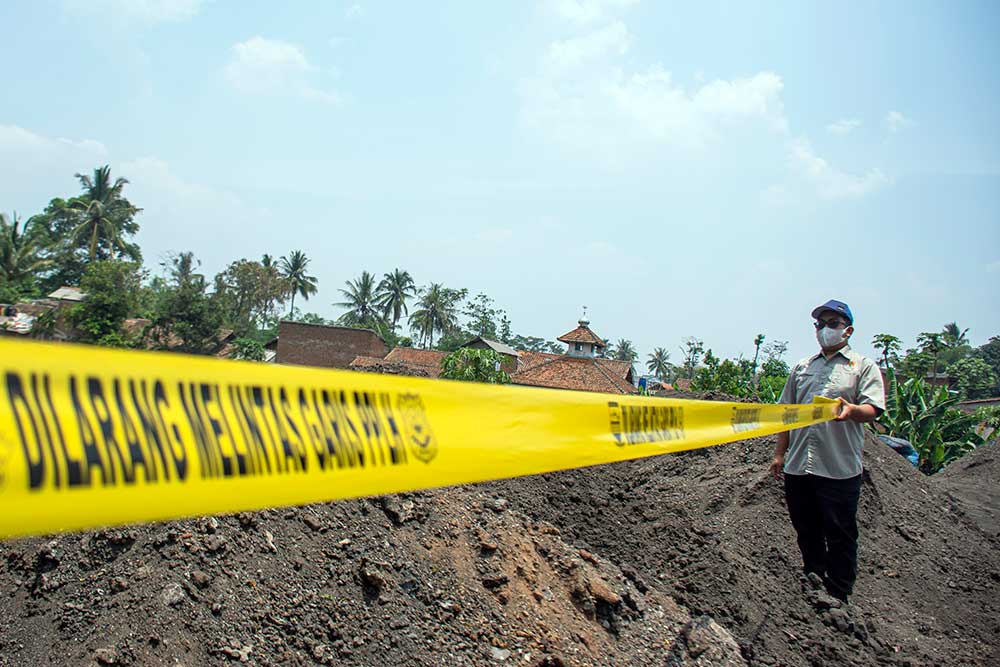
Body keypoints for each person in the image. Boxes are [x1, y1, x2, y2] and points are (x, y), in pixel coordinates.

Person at [770, 299, 885, 604]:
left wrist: (851, 410)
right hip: (799, 466)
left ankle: (840, 591)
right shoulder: (802, 368)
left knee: (840, 531)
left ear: (847, 330)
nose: (825, 330)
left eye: (833, 324)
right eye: (820, 324)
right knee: (805, 525)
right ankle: (813, 576)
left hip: (838, 466)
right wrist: (780, 454)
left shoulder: (862, 367)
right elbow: (786, 414)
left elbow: (873, 409)